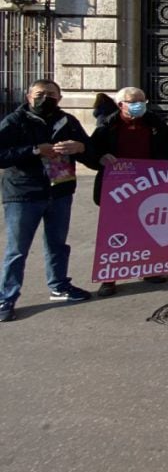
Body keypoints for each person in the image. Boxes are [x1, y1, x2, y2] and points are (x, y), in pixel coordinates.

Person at [0, 80, 95, 322]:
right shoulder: (14, 121)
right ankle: (6, 297)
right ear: (28, 96)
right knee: (17, 250)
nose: (45, 99)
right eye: (40, 94)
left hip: (60, 192)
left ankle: (59, 286)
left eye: (51, 95)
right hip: (24, 193)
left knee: (57, 243)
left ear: (60, 98)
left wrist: (80, 146)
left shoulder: (68, 121)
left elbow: (91, 153)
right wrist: (34, 150)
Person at [91, 87, 168, 296]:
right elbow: (92, 151)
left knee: (148, 229)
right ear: (121, 104)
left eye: (142, 100)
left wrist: (166, 176)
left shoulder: (156, 125)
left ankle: (149, 269)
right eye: (133, 101)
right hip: (117, 189)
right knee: (113, 234)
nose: (139, 105)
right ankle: (109, 277)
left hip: (149, 185)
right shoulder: (107, 126)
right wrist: (101, 158)